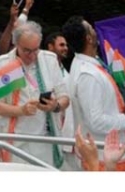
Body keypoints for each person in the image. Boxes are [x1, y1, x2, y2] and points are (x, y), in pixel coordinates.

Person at [62, 16, 125, 171]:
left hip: (112, 155)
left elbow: (107, 103)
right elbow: (96, 121)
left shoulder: (91, 65)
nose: (95, 31)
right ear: (89, 38)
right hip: (108, 160)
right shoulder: (88, 75)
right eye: (91, 28)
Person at [0, 21, 70, 169]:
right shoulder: (5, 64)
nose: (32, 55)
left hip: (47, 140)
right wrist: (21, 111)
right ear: (16, 45)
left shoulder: (49, 60)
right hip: (18, 144)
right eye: (27, 51)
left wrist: (55, 106)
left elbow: (64, 97)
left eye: (36, 50)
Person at [43, 31, 77, 170]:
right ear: (50, 47)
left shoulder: (67, 72)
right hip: (50, 134)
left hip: (67, 136)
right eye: (61, 45)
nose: (65, 48)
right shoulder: (43, 72)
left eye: (66, 45)